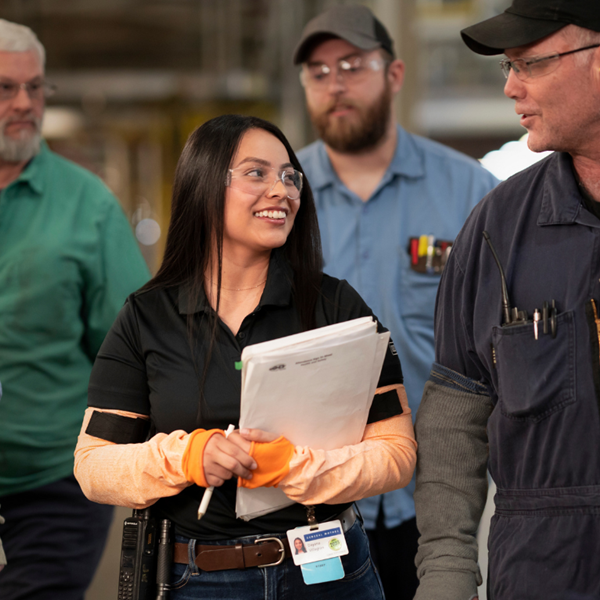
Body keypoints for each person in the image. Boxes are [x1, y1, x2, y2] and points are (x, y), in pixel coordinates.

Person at [73, 114, 417, 600]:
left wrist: (293, 467)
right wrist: (188, 456)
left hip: (326, 572)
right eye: (257, 173)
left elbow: (396, 453)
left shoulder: (337, 307)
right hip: (198, 580)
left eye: (289, 175)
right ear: (205, 185)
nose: (281, 190)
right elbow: (94, 466)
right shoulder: (147, 317)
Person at [292, 5, 499, 597]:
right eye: (319, 70)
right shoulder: (281, 197)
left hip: (434, 493)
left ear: (395, 73)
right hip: (311, 491)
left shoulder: (470, 193)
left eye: (353, 65)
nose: (336, 83)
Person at [413, 1, 600, 599]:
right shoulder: (497, 227)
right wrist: (445, 577)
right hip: (541, 577)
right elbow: (453, 420)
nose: (510, 86)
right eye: (507, 67)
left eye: (529, 64)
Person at [0, 19, 150, 600]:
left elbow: (129, 350)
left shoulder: (87, 206)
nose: (23, 104)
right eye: (6, 88)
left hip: (51, 487)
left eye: (35, 88)